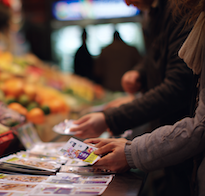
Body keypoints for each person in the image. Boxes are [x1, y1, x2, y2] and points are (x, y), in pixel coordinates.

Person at [70, 0, 198, 195]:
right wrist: (140, 73)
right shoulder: (156, 12)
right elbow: (155, 57)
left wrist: (111, 119)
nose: (127, 3)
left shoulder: (183, 10)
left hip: (180, 147)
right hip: (164, 135)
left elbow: (179, 89)